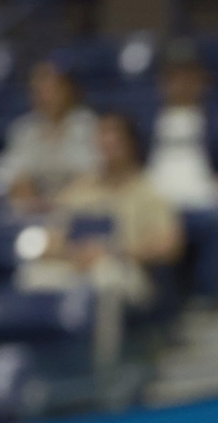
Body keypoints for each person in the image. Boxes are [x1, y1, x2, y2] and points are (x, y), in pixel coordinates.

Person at [17, 112, 183, 368]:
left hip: (127, 271)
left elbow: (170, 246)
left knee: (105, 280)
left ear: (130, 143)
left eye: (113, 137)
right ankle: (38, 365)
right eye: (101, 138)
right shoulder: (80, 188)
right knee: (32, 275)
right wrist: (75, 253)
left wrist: (115, 252)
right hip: (76, 265)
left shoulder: (149, 189)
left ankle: (103, 370)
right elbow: (49, 240)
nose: (106, 144)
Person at [146, 51, 218, 212]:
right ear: (162, 82)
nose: (182, 83)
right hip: (153, 206)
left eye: (189, 76)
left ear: (203, 80)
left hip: (206, 204)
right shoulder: (147, 120)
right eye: (175, 76)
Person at [0, 59, 99, 214]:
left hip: (79, 207)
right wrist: (22, 187)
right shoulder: (23, 130)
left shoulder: (88, 125)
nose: (45, 96)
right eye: (38, 90)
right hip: (34, 209)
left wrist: (59, 200)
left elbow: (94, 173)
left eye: (52, 88)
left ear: (68, 90)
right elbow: (8, 173)